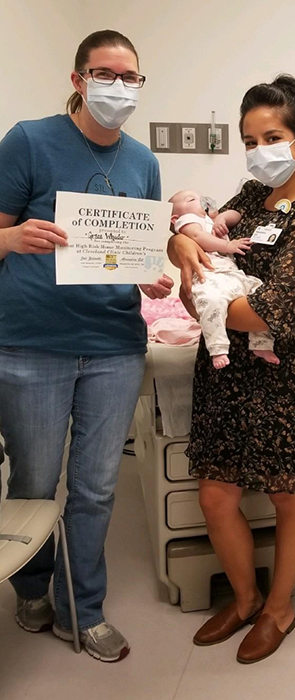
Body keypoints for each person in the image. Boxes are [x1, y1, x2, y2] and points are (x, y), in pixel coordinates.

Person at [0, 30, 173, 662]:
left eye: (131, 78)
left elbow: (133, 253)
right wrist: (13, 238)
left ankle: (84, 610)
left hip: (113, 346)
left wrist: (149, 272)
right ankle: (34, 586)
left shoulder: (143, 162)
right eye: (106, 74)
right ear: (78, 80)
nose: (119, 88)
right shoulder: (29, 140)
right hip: (32, 344)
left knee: (97, 487)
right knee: (35, 483)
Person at [168, 75, 295, 664]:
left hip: (278, 379)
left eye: (272, 136)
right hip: (222, 375)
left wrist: (199, 290)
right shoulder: (250, 193)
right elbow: (190, 238)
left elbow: (268, 311)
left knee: (289, 495)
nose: (259, 149)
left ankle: (279, 607)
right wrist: (184, 250)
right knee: (216, 496)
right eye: (249, 138)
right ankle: (244, 598)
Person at [169, 189, 278, 368]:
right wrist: (227, 245)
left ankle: (261, 343)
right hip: (208, 276)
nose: (200, 199)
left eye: (199, 196)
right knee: (212, 302)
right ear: (175, 218)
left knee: (260, 293)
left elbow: (236, 214)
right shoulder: (187, 221)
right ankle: (217, 347)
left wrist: (221, 218)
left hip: (232, 276)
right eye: (191, 199)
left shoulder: (210, 220)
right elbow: (198, 237)